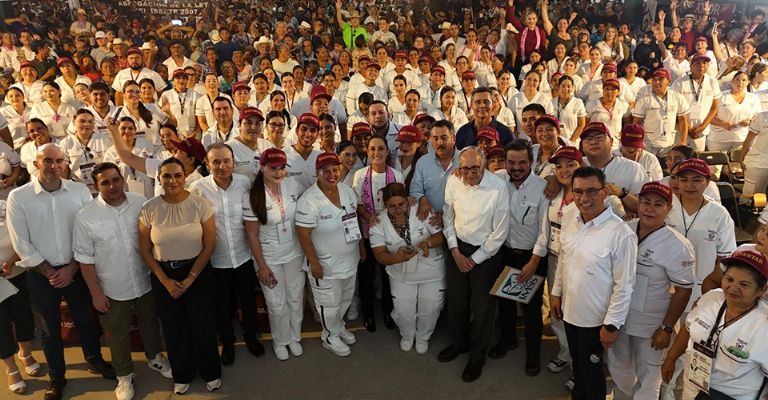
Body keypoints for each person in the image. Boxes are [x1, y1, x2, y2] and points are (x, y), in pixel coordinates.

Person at [6, 144, 115, 400]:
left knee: (87, 320)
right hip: (41, 275)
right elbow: (21, 242)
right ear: (36, 163)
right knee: (49, 330)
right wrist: (50, 273)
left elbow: (91, 231)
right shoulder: (19, 197)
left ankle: (93, 358)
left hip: (76, 268)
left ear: (65, 163)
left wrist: (72, 268)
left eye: (59, 161)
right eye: (47, 161)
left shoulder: (78, 192)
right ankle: (57, 376)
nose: (54, 166)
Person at [73, 162, 172, 400]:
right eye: (105, 182)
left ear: (122, 179)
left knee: (149, 321)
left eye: (116, 179)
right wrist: (96, 293)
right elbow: (85, 260)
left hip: (145, 279)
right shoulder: (85, 216)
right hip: (112, 287)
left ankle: (154, 358)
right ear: (96, 186)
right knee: (117, 333)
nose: (112, 185)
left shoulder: (140, 203)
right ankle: (124, 375)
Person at [550, 166, 637, 399]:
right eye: (578, 192)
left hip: (596, 320)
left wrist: (611, 326)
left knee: (592, 373)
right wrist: (556, 293)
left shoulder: (621, 233)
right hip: (570, 313)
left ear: (604, 191)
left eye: (591, 191)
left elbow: (624, 286)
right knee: (577, 368)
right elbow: (564, 260)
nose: (584, 198)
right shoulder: (570, 219)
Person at [138, 157, 221, 395]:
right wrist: (165, 280)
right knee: (174, 328)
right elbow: (144, 249)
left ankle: (210, 372)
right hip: (164, 274)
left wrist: (191, 277)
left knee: (202, 325)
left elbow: (209, 244)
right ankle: (181, 373)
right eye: (167, 176)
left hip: (198, 271)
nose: (172, 180)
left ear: (185, 177)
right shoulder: (149, 208)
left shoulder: (199, 204)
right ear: (159, 179)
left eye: (177, 175)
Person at [606, 182, 694, 400]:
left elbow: (683, 290)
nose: (649, 208)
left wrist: (666, 328)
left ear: (668, 209)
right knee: (619, 369)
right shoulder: (624, 229)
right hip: (619, 317)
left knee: (649, 378)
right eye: (645, 202)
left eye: (658, 204)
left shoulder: (678, 245)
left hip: (651, 323)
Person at [661, 158, 737, 399]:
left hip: (698, 291)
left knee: (689, 340)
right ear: (676, 181)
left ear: (708, 182)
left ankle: (668, 384)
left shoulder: (719, 214)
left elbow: (725, 260)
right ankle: (655, 381)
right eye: (684, 179)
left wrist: (711, 296)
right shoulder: (666, 206)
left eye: (697, 180)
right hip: (662, 286)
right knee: (659, 336)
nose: (690, 185)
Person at [439, 146, 510, 382]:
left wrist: (474, 259)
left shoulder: (498, 187)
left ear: (485, 164)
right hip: (458, 248)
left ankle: (477, 356)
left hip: (486, 254)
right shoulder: (453, 182)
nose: (470, 173)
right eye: (465, 168)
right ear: (459, 168)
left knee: (483, 309)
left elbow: (499, 233)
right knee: (457, 302)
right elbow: (448, 217)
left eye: (475, 168)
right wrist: (455, 250)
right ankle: (459, 343)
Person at [189, 144, 265, 366]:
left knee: (248, 300)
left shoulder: (244, 183)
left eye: (226, 161)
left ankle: (251, 336)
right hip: (216, 258)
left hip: (242, 254)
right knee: (222, 305)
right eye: (216, 162)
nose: (222, 166)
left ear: (233, 162)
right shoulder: (197, 188)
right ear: (207, 163)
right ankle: (228, 343)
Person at [661, 249, 768, 400]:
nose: (733, 288)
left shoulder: (763, 324)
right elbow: (689, 327)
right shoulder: (710, 299)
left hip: (733, 395)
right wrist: (671, 358)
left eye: (744, 284)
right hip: (694, 385)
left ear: (761, 290)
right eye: (729, 279)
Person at [490, 139, 549, 376]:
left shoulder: (543, 187)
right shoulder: (496, 179)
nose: (516, 168)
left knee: (531, 309)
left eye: (522, 162)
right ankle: (508, 340)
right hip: (504, 251)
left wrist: (534, 260)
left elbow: (545, 230)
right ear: (505, 162)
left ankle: (533, 353)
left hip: (531, 255)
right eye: (511, 162)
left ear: (531, 162)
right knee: (504, 301)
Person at [295, 152, 363, 357]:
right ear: (317, 173)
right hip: (325, 265)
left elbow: (353, 219)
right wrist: (314, 263)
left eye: (335, 169)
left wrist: (361, 247)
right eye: (326, 171)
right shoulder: (309, 200)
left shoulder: (347, 191)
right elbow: (303, 234)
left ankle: (338, 326)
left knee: (345, 298)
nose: (332, 174)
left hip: (349, 259)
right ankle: (329, 335)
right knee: (329, 304)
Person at [244, 148, 306, 360]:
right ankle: (281, 341)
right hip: (269, 257)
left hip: (294, 253)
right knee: (276, 303)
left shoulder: (293, 185)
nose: (278, 172)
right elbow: (252, 236)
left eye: (281, 168)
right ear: (262, 168)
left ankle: (294, 336)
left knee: (295, 298)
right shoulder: (252, 196)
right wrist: (261, 266)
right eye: (273, 168)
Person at [369, 182, 444, 353]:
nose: (397, 209)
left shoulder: (422, 210)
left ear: (407, 200)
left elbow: (439, 236)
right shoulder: (378, 222)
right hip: (400, 272)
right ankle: (407, 334)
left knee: (430, 307)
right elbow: (380, 255)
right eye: (391, 206)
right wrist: (396, 258)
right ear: (384, 205)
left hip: (430, 269)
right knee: (403, 311)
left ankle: (423, 336)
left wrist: (429, 243)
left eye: (401, 204)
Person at [352, 135, 403, 331]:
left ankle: (388, 313)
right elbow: (356, 204)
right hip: (367, 233)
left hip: (390, 234)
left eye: (381, 148)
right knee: (366, 276)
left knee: (388, 276)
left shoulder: (396, 176)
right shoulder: (360, 175)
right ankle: (368, 315)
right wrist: (367, 215)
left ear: (387, 151)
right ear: (367, 151)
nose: (377, 153)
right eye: (372, 149)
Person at [0, 199, 39, 396]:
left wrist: (11, 260)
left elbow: (24, 237)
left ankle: (26, 353)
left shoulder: (8, 206)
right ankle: (12, 369)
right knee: (1, 326)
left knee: (23, 317)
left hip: (15, 273)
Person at [631, 68, 690, 156]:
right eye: (654, 80)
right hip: (648, 144)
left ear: (668, 81)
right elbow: (637, 123)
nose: (657, 82)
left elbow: (683, 121)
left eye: (660, 79)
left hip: (669, 143)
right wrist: (639, 142)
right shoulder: (644, 99)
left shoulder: (678, 97)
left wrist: (683, 141)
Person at [670, 54, 722, 152]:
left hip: (700, 131)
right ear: (691, 65)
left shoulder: (712, 82)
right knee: (679, 158)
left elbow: (714, 108)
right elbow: (673, 107)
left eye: (705, 63)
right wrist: (687, 127)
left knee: (697, 160)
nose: (701, 66)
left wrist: (702, 127)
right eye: (697, 63)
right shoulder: (680, 82)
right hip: (681, 130)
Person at [708, 71, 761, 152]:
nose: (740, 82)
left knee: (739, 164)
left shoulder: (753, 98)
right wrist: (722, 124)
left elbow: (757, 117)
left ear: (748, 83)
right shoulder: (720, 97)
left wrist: (750, 121)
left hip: (742, 139)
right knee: (716, 164)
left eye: (744, 80)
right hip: (719, 139)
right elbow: (708, 116)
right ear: (732, 81)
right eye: (737, 79)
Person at [740, 111, 768, 202]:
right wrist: (742, 159)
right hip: (757, 163)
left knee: (761, 198)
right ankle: (745, 214)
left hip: (758, 162)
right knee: (750, 197)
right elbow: (748, 140)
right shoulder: (761, 116)